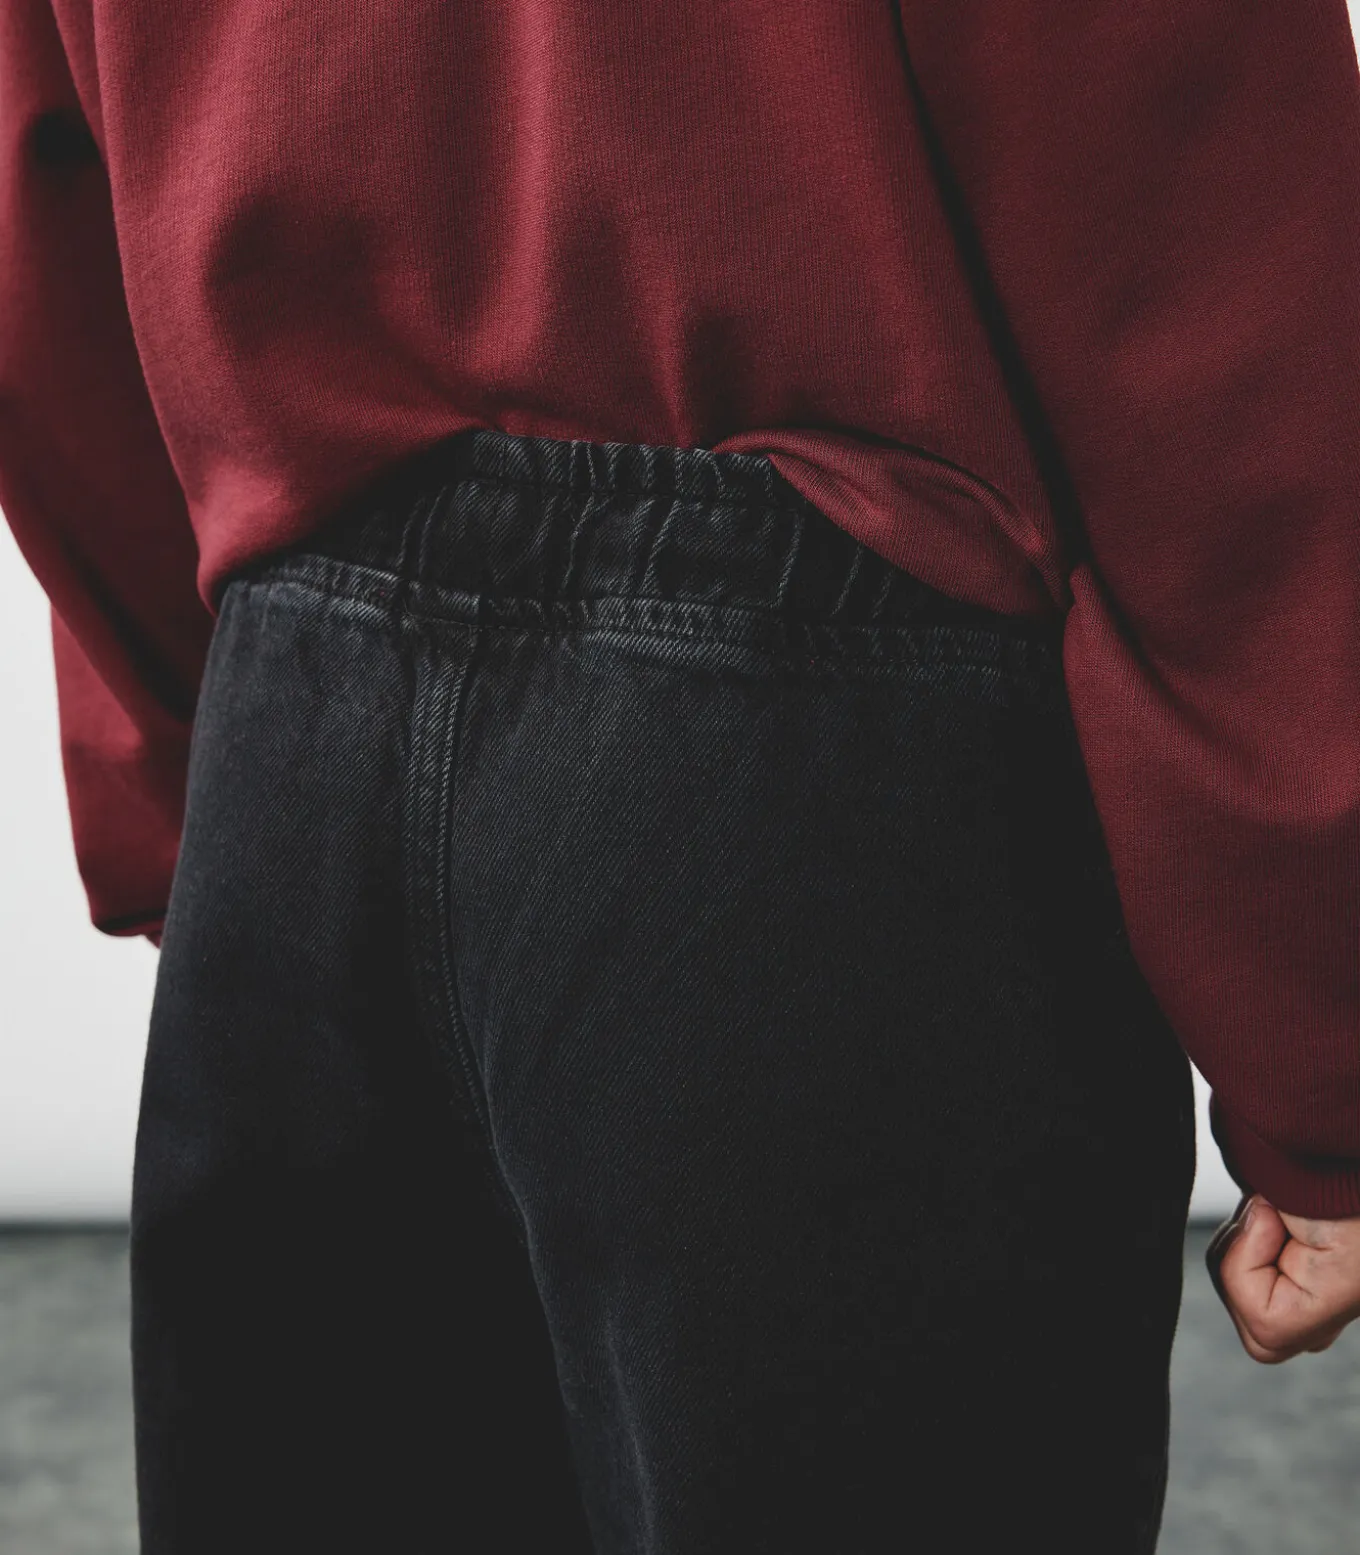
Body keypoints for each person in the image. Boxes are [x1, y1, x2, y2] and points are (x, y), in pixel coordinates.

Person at [2, 0, 1359, 1549]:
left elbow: (46, 208)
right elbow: (1186, 241)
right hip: (816, 767)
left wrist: (211, 775)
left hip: (302, 730)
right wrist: (1319, 1036)